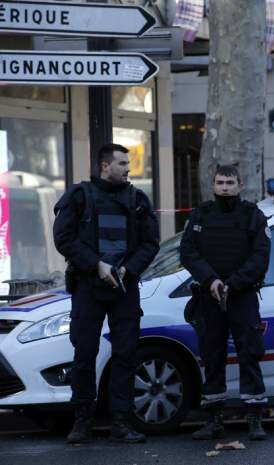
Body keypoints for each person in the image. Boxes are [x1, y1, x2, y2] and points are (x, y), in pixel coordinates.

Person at [53, 143, 160, 444]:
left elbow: (150, 243)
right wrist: (96, 265)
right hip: (88, 286)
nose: (128, 168)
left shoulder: (137, 199)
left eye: (128, 163)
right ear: (104, 166)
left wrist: (128, 269)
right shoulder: (80, 196)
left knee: (126, 354)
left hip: (124, 287)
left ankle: (121, 422)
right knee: (84, 353)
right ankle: (82, 421)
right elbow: (63, 238)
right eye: (122, 163)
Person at [180, 165, 271, 441]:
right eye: (220, 182)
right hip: (209, 297)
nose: (224, 188)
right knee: (212, 356)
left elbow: (261, 256)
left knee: (249, 355)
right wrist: (211, 280)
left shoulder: (253, 215)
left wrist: (233, 283)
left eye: (230, 183)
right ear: (213, 185)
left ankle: (254, 418)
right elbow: (188, 252)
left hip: (242, 296)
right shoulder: (200, 215)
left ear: (240, 185)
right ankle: (213, 419)